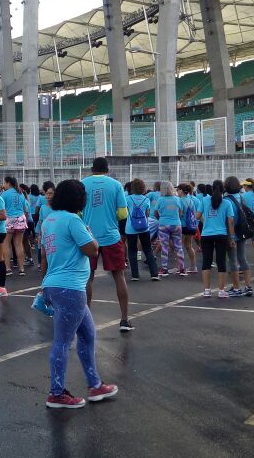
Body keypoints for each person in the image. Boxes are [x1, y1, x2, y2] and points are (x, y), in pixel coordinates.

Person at [40, 179, 119, 408]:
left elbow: (44, 256)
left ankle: (95, 385)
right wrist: (89, 233)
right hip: (70, 289)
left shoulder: (49, 220)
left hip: (57, 285)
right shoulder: (73, 220)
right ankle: (56, 393)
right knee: (62, 342)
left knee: (88, 334)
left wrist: (44, 285)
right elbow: (92, 250)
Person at [81, 158, 131, 331]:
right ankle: (124, 320)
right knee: (119, 276)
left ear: (92, 169)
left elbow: (77, 212)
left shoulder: (82, 184)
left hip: (88, 236)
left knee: (88, 278)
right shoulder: (116, 185)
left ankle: (85, 320)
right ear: (107, 170)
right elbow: (123, 214)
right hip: (111, 236)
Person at [199, 180, 236, 299]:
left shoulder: (204, 200)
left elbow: (197, 216)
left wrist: (206, 221)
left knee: (206, 262)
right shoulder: (227, 203)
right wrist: (232, 237)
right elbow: (230, 221)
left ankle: (207, 290)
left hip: (206, 234)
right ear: (223, 189)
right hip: (221, 234)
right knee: (221, 262)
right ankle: (221, 290)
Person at [223, 176, 252, 297]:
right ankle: (248, 286)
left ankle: (236, 288)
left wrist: (230, 236)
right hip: (242, 231)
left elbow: (228, 219)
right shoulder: (241, 197)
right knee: (242, 258)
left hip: (232, 232)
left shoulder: (226, 200)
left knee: (232, 260)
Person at [125, 178, 158, 281]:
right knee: (148, 249)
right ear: (143, 188)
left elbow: (125, 212)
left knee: (132, 250)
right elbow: (147, 214)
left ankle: (135, 275)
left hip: (130, 228)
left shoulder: (128, 198)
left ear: (132, 188)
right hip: (144, 227)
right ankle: (154, 274)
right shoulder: (146, 199)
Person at [154, 182, 185, 278]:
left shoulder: (160, 199)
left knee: (164, 247)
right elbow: (181, 212)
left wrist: (161, 218)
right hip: (176, 224)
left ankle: (164, 269)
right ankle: (182, 269)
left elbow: (155, 213)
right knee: (178, 247)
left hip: (163, 224)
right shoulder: (177, 199)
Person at [1, 176, 29, 275]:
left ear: (8, 183)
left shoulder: (4, 194)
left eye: (4, 183)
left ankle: (8, 269)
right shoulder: (21, 193)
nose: (4, 185)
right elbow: (25, 209)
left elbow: (1, 209)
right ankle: (21, 269)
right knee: (19, 244)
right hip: (21, 219)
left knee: (6, 244)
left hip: (9, 219)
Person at [177, 183, 199, 275]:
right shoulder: (191, 200)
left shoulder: (180, 200)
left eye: (178, 190)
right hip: (191, 226)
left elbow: (180, 214)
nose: (177, 192)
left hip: (182, 225)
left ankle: (180, 267)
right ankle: (193, 266)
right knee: (189, 246)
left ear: (181, 191)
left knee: (178, 246)